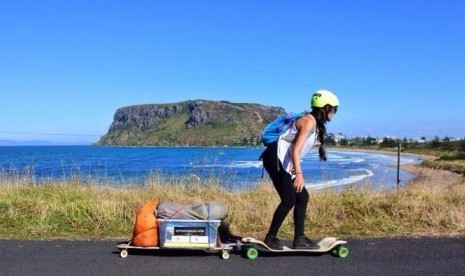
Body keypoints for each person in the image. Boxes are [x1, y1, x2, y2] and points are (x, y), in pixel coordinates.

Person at [261, 89, 339, 250]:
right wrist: (299, 174)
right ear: (326, 107)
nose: (334, 113)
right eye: (334, 109)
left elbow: (292, 149)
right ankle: (270, 238)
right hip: (275, 159)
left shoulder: (312, 122)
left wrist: (293, 170)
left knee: (302, 197)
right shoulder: (309, 121)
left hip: (279, 159)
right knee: (289, 199)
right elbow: (296, 150)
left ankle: (299, 239)